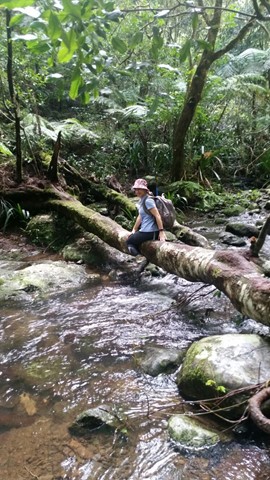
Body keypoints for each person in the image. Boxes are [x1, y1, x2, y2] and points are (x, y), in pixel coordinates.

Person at [127, 178, 166, 256]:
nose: (137, 191)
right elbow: (140, 216)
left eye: (140, 189)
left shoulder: (148, 200)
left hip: (151, 231)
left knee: (129, 242)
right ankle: (143, 259)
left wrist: (161, 232)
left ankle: (139, 258)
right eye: (136, 189)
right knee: (134, 240)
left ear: (145, 190)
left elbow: (157, 215)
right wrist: (134, 229)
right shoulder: (142, 200)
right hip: (146, 230)